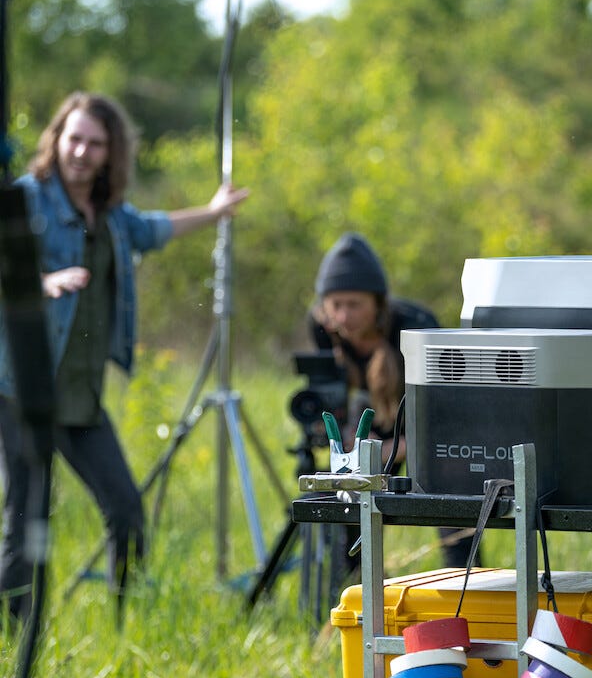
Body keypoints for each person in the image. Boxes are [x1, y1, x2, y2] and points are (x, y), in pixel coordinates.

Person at [0, 91, 249, 622]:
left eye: (95, 143)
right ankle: (14, 643)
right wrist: (41, 283)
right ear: (57, 139)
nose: (81, 152)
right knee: (26, 525)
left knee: (126, 510)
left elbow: (152, 229)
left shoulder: (111, 214)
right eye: (74, 139)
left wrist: (213, 212)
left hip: (80, 397)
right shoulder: (26, 198)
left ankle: (125, 621)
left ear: (110, 152)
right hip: (23, 390)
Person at [307, 231, 477, 577]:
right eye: (336, 305)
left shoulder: (416, 327)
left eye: (354, 304)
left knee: (451, 505)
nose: (343, 316)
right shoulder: (322, 327)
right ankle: (357, 589)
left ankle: (463, 586)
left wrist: (390, 449)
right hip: (372, 419)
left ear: (378, 303)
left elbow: (446, 418)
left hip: (426, 423)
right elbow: (333, 390)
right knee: (351, 502)